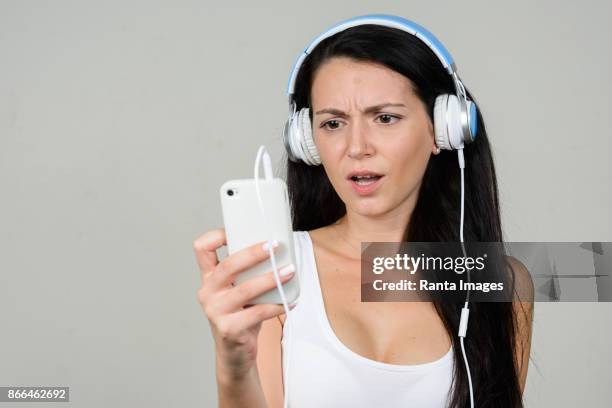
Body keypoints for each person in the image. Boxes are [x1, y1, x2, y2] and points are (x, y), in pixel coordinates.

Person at [193, 15, 534, 408]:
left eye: (385, 118)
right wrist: (232, 366)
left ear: (443, 129)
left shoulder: (499, 280)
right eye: (333, 123)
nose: (356, 147)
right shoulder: (278, 266)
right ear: (308, 142)